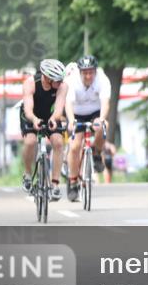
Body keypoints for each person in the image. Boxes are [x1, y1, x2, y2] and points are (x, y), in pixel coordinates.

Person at [19, 59, 69, 201]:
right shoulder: (30, 83)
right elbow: (28, 110)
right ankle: (28, 174)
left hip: (50, 115)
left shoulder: (63, 86)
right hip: (30, 115)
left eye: (61, 79)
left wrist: (53, 119)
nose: (60, 82)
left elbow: (58, 108)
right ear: (47, 77)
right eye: (57, 80)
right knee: (30, 141)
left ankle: (55, 184)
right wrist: (35, 120)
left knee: (58, 142)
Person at [63, 55, 111, 202]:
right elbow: (68, 103)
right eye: (85, 73)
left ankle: (96, 153)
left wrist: (101, 119)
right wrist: (71, 121)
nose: (88, 76)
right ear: (80, 72)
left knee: (103, 126)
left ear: (95, 71)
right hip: (76, 113)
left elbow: (105, 103)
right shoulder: (72, 81)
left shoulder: (102, 79)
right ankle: (72, 181)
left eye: (91, 72)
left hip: (95, 112)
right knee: (75, 146)